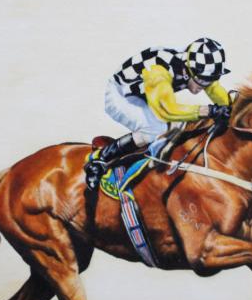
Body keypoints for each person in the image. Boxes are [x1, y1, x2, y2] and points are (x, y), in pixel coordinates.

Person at [84, 37, 233, 190]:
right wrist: (210, 111)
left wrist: (229, 108)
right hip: (121, 94)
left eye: (211, 79)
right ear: (188, 71)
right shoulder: (160, 70)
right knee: (157, 129)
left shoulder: (196, 69)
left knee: (177, 127)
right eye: (203, 80)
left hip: (146, 95)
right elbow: (167, 110)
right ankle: (99, 161)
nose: (206, 85)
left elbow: (214, 90)